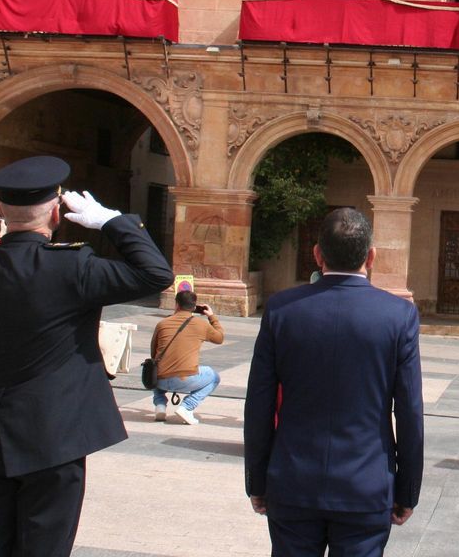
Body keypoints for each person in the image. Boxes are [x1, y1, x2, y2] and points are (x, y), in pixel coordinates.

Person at [0, 156, 174, 557]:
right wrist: (110, 221)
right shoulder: (72, 267)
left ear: (2, 212)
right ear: (58, 211)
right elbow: (155, 274)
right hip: (54, 437)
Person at [244, 207, 424, 557]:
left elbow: (259, 404)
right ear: (371, 256)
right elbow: (409, 411)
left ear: (317, 254)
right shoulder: (398, 316)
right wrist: (407, 490)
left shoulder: (281, 310)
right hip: (366, 482)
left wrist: (258, 478)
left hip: (293, 478)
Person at [150, 287, 225, 425]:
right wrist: (211, 316)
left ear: (176, 305)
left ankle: (160, 405)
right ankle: (187, 406)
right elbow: (220, 338)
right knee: (214, 377)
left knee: (156, 366)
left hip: (159, 380)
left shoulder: (162, 323)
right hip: (185, 379)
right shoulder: (201, 324)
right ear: (194, 306)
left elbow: (153, 353)